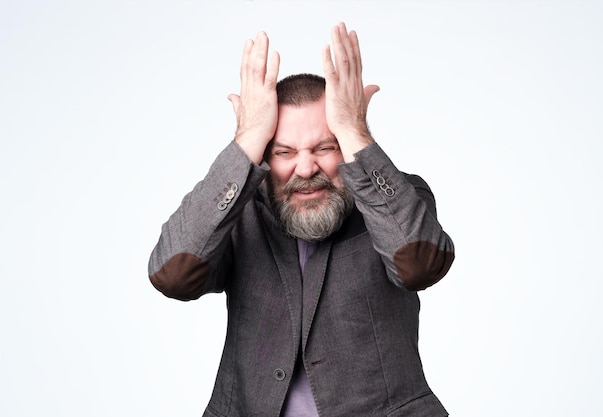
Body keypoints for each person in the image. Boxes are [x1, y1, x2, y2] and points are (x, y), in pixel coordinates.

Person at [148, 22, 455, 417]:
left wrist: (356, 131)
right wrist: (245, 143)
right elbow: (172, 275)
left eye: (325, 147)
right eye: (284, 152)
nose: (306, 168)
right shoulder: (240, 215)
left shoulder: (396, 199)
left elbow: (419, 267)